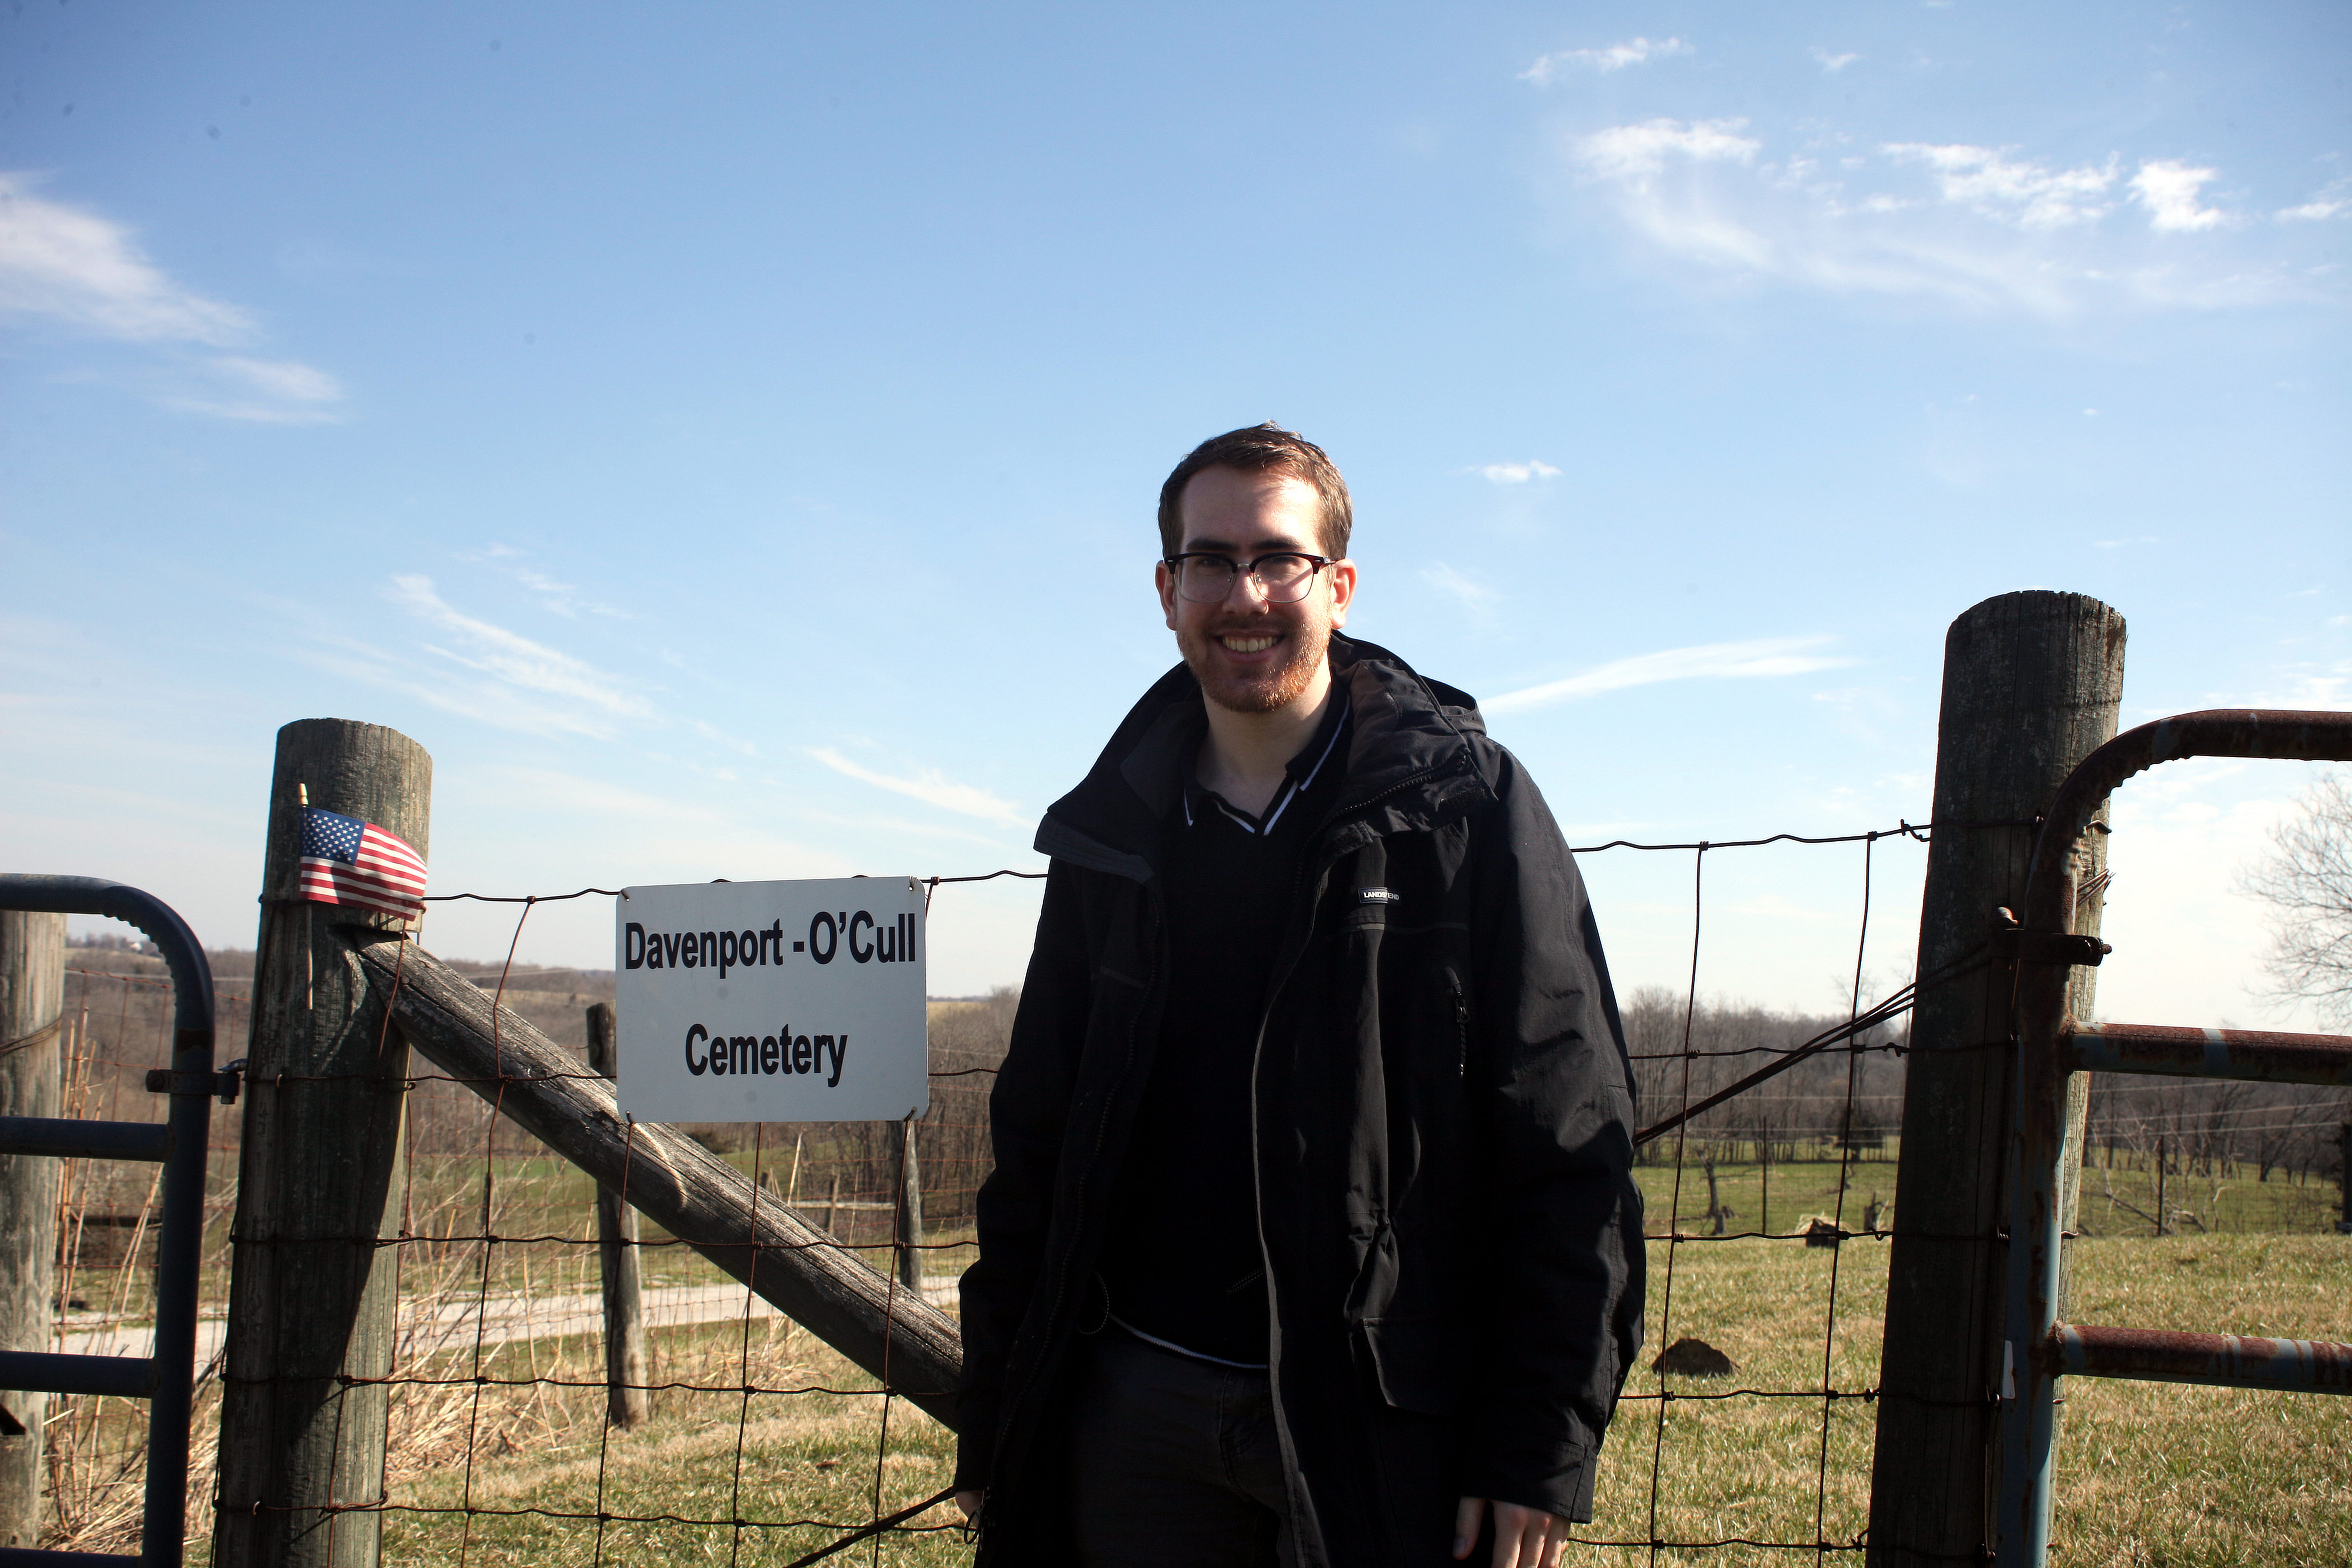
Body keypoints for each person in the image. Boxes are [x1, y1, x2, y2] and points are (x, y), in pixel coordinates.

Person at [952, 424, 1644, 1568]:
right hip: (1137, 1409)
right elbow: (1036, 1143)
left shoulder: (1459, 810)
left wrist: (1536, 1442)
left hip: (1381, 1415)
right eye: (1212, 562)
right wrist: (999, 1416)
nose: (1246, 594)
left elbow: (1569, 1139)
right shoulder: (1112, 834)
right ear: (1167, 591)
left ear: (1340, 586)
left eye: (1280, 558)